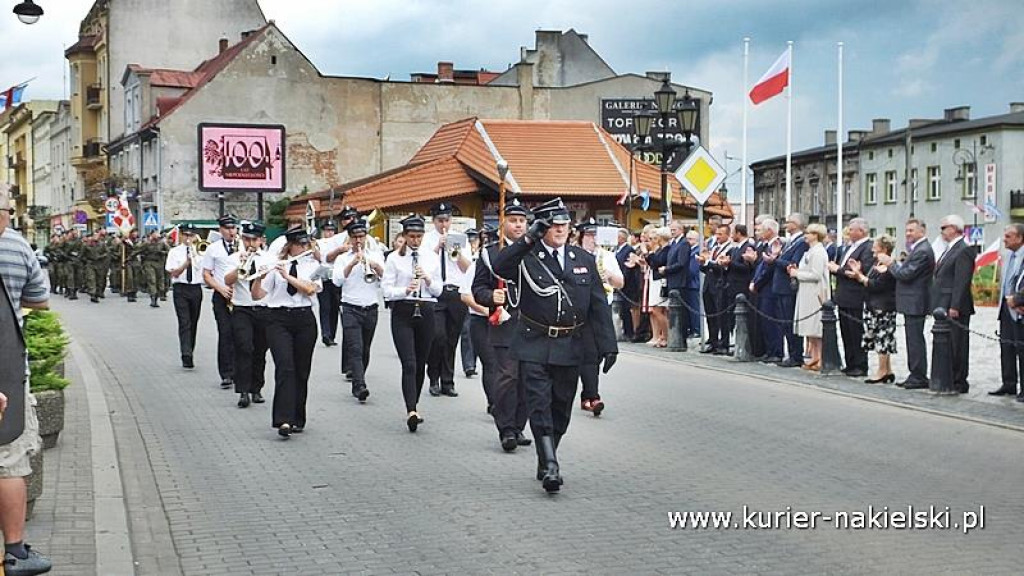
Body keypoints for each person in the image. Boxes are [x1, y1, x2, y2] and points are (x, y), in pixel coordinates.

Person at [491, 197, 617, 493]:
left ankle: (546, 453)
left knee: (561, 408)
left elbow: (598, 305)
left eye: (564, 224)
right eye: (554, 224)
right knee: (539, 404)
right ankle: (550, 464)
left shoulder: (582, 259)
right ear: (542, 226)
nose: (561, 230)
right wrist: (529, 237)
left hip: (571, 345)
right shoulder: (526, 255)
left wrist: (609, 345)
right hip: (535, 342)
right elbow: (501, 266)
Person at [0, 184, 53, 575]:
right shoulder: (19, 247)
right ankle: (15, 550)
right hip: (9, 371)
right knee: (10, 462)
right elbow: (41, 297)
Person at [251, 226, 322, 438]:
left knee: (301, 370)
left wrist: (288, 277)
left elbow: (310, 289)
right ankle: (283, 420)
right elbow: (258, 296)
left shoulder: (313, 265)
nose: (304, 247)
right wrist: (258, 278)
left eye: (306, 244)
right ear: (290, 246)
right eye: (300, 244)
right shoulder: (277, 265)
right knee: (285, 367)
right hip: (277, 319)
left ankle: (297, 417)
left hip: (304, 319)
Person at [473, 200, 533, 451]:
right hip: (504, 322)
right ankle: (506, 428)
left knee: (527, 379)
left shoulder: (534, 250)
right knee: (507, 377)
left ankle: (519, 426)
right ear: (502, 223)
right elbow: (478, 288)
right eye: (513, 220)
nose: (518, 225)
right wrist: (490, 297)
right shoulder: (490, 253)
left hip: (531, 323)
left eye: (522, 221)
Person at [381, 215, 442, 432]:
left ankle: (414, 403)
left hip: (426, 308)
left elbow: (439, 290)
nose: (415, 240)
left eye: (419, 236)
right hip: (403, 310)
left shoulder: (431, 258)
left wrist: (426, 278)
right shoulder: (394, 259)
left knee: (420, 362)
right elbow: (386, 290)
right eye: (411, 236)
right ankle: (411, 409)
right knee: (409, 362)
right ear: (405, 236)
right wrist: (403, 290)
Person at [875, 219, 934, 389]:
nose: (908, 233)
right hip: (911, 301)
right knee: (912, 339)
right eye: (907, 230)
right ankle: (915, 373)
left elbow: (906, 274)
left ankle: (918, 375)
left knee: (915, 340)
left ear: (922, 232)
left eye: (911, 230)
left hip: (916, 302)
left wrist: (890, 264)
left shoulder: (922, 250)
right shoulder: (917, 249)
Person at [421, 202, 471, 397]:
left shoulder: (460, 238)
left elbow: (468, 268)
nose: (444, 224)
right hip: (435, 292)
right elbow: (424, 264)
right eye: (440, 220)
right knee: (437, 337)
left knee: (451, 339)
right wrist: (437, 248)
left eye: (447, 220)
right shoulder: (426, 240)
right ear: (434, 221)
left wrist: (455, 253)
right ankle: (433, 377)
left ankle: (447, 381)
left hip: (455, 292)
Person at [332, 218, 384, 403]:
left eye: (361, 237)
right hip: (350, 307)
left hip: (371, 307)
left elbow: (385, 281)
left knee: (365, 348)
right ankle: (359, 385)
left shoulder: (376, 255)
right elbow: (337, 281)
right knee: (355, 347)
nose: (358, 241)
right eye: (355, 237)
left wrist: (375, 266)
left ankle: (358, 377)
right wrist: (352, 264)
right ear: (349, 239)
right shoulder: (342, 259)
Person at [577, 217, 624, 415]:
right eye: (588, 235)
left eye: (596, 235)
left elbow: (620, 283)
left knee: (593, 354)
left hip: (600, 309)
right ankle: (587, 395)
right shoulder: (573, 254)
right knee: (578, 355)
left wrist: (608, 276)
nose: (593, 239)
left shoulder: (607, 256)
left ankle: (591, 395)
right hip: (577, 311)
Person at [224, 221, 270, 408]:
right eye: (246, 239)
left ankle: (256, 388)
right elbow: (227, 280)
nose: (250, 243)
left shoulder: (268, 258)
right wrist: (240, 266)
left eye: (254, 239)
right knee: (244, 348)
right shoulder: (235, 257)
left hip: (263, 308)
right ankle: (243, 391)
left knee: (260, 350)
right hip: (242, 308)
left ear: (261, 240)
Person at [930, 215, 975, 394]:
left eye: (944, 228)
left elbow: (961, 280)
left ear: (954, 228)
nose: (941, 232)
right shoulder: (950, 248)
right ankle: (948, 375)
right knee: (947, 343)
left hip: (955, 306)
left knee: (958, 344)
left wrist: (955, 305)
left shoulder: (963, 249)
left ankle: (959, 380)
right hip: (943, 304)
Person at [847, 235, 898, 384]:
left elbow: (878, 285)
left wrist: (860, 277)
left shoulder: (888, 266)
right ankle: (887, 370)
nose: (873, 252)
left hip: (883, 307)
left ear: (884, 249)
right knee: (878, 338)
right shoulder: (876, 263)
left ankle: (882, 370)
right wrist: (858, 273)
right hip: (873, 305)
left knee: (883, 339)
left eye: (876, 249)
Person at [828, 217, 873, 377]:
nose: (849, 231)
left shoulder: (868, 247)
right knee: (846, 331)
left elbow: (861, 271)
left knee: (856, 331)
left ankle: (860, 364)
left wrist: (838, 270)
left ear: (861, 231)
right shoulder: (849, 247)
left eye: (851, 229)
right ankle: (850, 362)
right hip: (843, 295)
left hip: (856, 296)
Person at [202, 215, 240, 389]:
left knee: (241, 335)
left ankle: (240, 372)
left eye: (233, 228)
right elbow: (206, 274)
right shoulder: (213, 249)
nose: (231, 231)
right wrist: (220, 288)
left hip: (241, 296)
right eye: (227, 228)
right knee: (225, 333)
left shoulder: (244, 247)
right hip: (222, 295)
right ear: (220, 230)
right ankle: (226, 373)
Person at [767, 213, 809, 367]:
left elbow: (793, 263)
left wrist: (775, 259)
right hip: (780, 287)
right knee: (784, 323)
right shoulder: (789, 242)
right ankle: (791, 353)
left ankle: (796, 355)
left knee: (790, 322)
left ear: (797, 224)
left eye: (789, 222)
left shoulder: (801, 242)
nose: (786, 225)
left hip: (788, 288)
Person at [789, 223, 831, 371]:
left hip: (815, 292)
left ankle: (819, 357)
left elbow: (816, 274)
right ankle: (813, 356)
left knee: (816, 327)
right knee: (809, 328)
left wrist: (797, 274)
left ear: (815, 235)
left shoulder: (819, 252)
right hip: (806, 291)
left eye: (808, 233)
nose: (805, 235)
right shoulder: (810, 251)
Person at [164, 223, 205, 369]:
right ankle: (185, 353)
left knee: (193, 322)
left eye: (191, 235)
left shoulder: (201, 251)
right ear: (181, 235)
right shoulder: (174, 252)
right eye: (186, 235)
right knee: (184, 322)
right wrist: (185, 264)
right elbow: (173, 273)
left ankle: (190, 350)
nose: (188, 238)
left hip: (196, 289)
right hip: (180, 289)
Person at [992, 224, 1024, 398]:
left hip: (1019, 308)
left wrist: (1018, 299)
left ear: (1019, 238)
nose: (1005, 239)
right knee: (1006, 347)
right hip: (1005, 308)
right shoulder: (1007, 255)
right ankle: (1008, 383)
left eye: (1009, 236)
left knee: (1021, 348)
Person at [698, 224, 733, 354]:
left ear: (727, 235)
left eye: (720, 234)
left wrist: (709, 263)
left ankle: (723, 343)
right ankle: (713, 341)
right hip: (709, 283)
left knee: (721, 315)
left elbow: (722, 268)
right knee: (710, 314)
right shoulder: (714, 248)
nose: (717, 237)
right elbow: (707, 268)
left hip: (720, 285)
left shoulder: (729, 249)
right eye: (717, 234)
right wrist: (703, 263)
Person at [658, 220, 691, 351]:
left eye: (674, 230)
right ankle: (676, 337)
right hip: (672, 280)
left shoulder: (684, 244)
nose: (672, 232)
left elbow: (681, 263)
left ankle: (681, 339)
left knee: (680, 312)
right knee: (673, 311)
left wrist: (666, 269)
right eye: (671, 230)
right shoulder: (674, 243)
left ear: (681, 230)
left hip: (680, 282)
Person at [723, 224, 755, 354]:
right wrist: (725, 264)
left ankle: (741, 343)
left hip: (741, 286)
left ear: (739, 233)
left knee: (741, 316)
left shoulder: (748, 247)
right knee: (730, 316)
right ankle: (732, 342)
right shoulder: (735, 248)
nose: (732, 236)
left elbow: (746, 268)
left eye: (733, 233)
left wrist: (730, 263)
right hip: (732, 285)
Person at [316, 220, 343, 347]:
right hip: (324, 278)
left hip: (336, 277)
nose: (329, 233)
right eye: (327, 230)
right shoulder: (319, 243)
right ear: (323, 231)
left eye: (332, 230)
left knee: (335, 307)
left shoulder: (339, 242)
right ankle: (325, 334)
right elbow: (321, 258)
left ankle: (332, 334)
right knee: (325, 307)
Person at [645, 228, 672, 347]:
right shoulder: (660, 249)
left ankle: (666, 336)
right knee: (657, 310)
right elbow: (651, 264)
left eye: (655, 238)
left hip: (661, 281)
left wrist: (651, 253)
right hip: (655, 279)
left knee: (658, 310)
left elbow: (657, 263)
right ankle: (662, 336)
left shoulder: (666, 249)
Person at [459, 228, 480, 378]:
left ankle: (475, 360)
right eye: (470, 240)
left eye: (475, 240)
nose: (473, 243)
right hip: (465, 292)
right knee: (466, 331)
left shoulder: (481, 255)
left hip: (479, 294)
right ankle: (469, 365)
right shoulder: (462, 251)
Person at [614, 228, 639, 341]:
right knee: (622, 309)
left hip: (627, 284)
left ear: (622, 238)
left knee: (626, 309)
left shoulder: (629, 249)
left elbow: (628, 267)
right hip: (619, 281)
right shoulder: (617, 249)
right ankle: (624, 330)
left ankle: (629, 332)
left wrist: (622, 280)